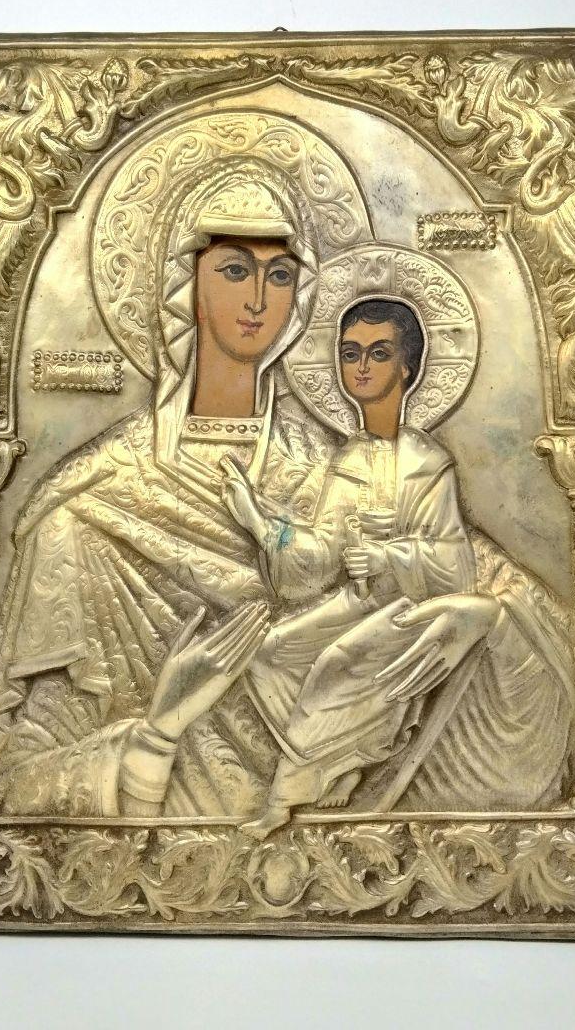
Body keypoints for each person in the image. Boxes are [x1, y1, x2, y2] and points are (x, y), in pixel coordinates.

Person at [0, 158, 358, 817]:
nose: (258, 300)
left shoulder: (331, 468)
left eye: (279, 275)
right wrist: (157, 734)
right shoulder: (86, 509)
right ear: (185, 282)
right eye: (234, 270)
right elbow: (19, 783)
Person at [222, 299, 498, 838]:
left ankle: (284, 798)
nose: (362, 367)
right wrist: (257, 521)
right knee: (270, 654)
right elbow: (320, 558)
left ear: (407, 367)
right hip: (361, 602)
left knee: (335, 661)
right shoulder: (347, 459)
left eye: (378, 353)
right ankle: (336, 762)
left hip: (414, 609)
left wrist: (390, 555)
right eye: (350, 354)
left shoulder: (428, 463)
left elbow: (456, 566)